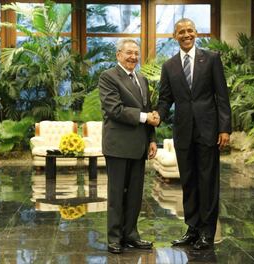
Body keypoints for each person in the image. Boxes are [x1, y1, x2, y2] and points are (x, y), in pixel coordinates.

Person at [154, 18, 232, 250]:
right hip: (184, 132)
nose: (186, 35)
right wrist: (157, 115)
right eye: (181, 32)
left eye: (190, 31)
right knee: (188, 182)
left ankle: (208, 232)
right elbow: (165, 98)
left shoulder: (211, 59)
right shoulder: (169, 66)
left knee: (207, 181)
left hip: (208, 130)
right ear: (174, 36)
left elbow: (222, 96)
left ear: (196, 33)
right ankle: (192, 229)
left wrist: (225, 128)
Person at [98, 38, 158, 254]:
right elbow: (115, 109)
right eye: (128, 53)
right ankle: (114, 238)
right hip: (118, 146)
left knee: (134, 194)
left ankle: (131, 235)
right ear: (118, 55)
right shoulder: (108, 77)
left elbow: (148, 110)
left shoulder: (141, 79)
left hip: (139, 146)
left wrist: (152, 139)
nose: (133, 57)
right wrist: (145, 118)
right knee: (116, 194)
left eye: (136, 53)